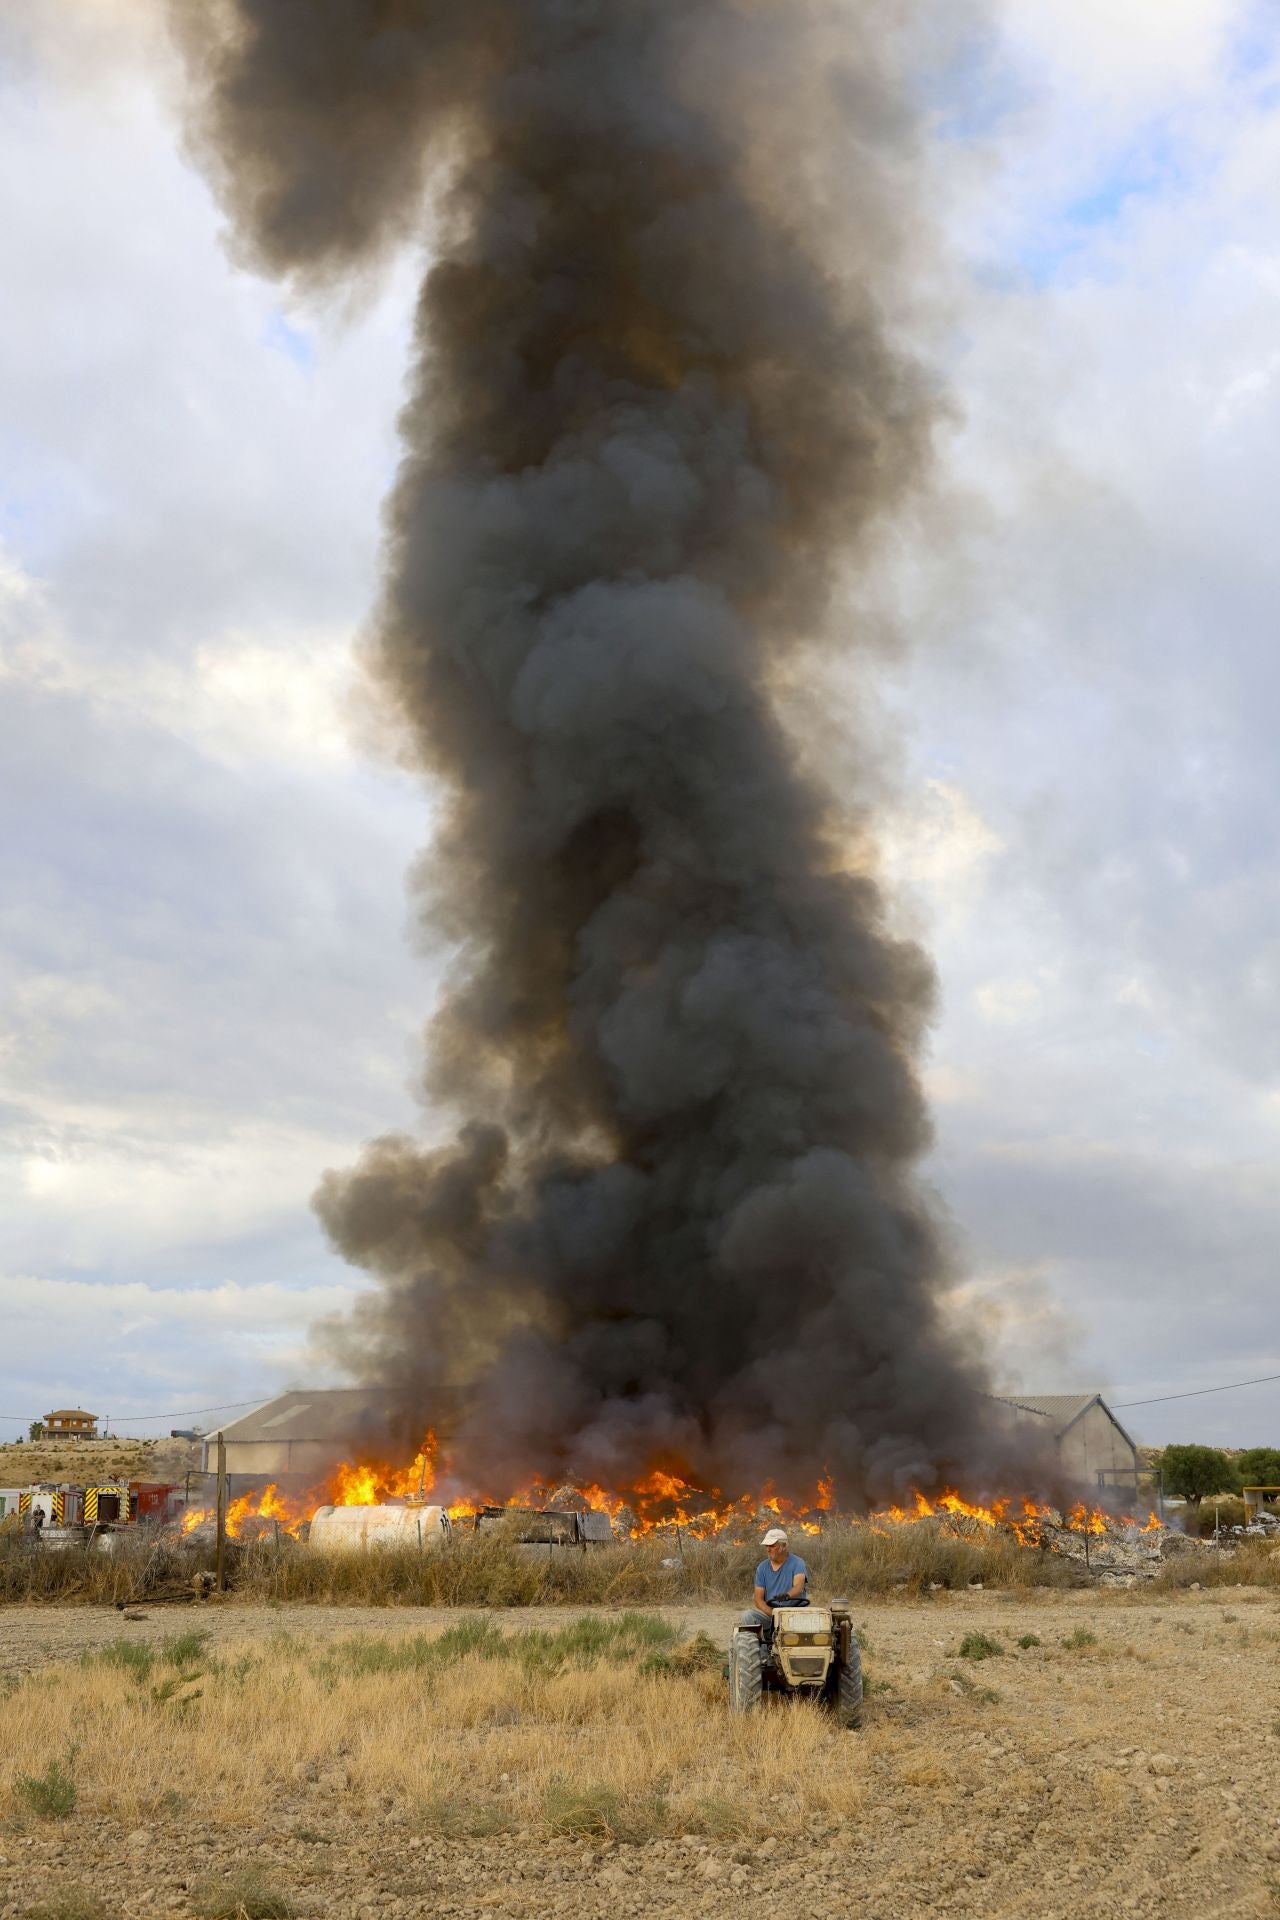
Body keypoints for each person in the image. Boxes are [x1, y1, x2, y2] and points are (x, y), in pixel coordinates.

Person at [742, 1526, 808, 1633]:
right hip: (772, 1615)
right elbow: (758, 1600)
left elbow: (798, 1587)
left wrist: (787, 1595)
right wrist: (775, 1614)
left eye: (772, 1545)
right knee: (747, 1616)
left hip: (795, 1614)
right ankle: (762, 1647)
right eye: (767, 1546)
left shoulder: (797, 1563)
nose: (768, 1549)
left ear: (783, 1546)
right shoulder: (762, 1567)